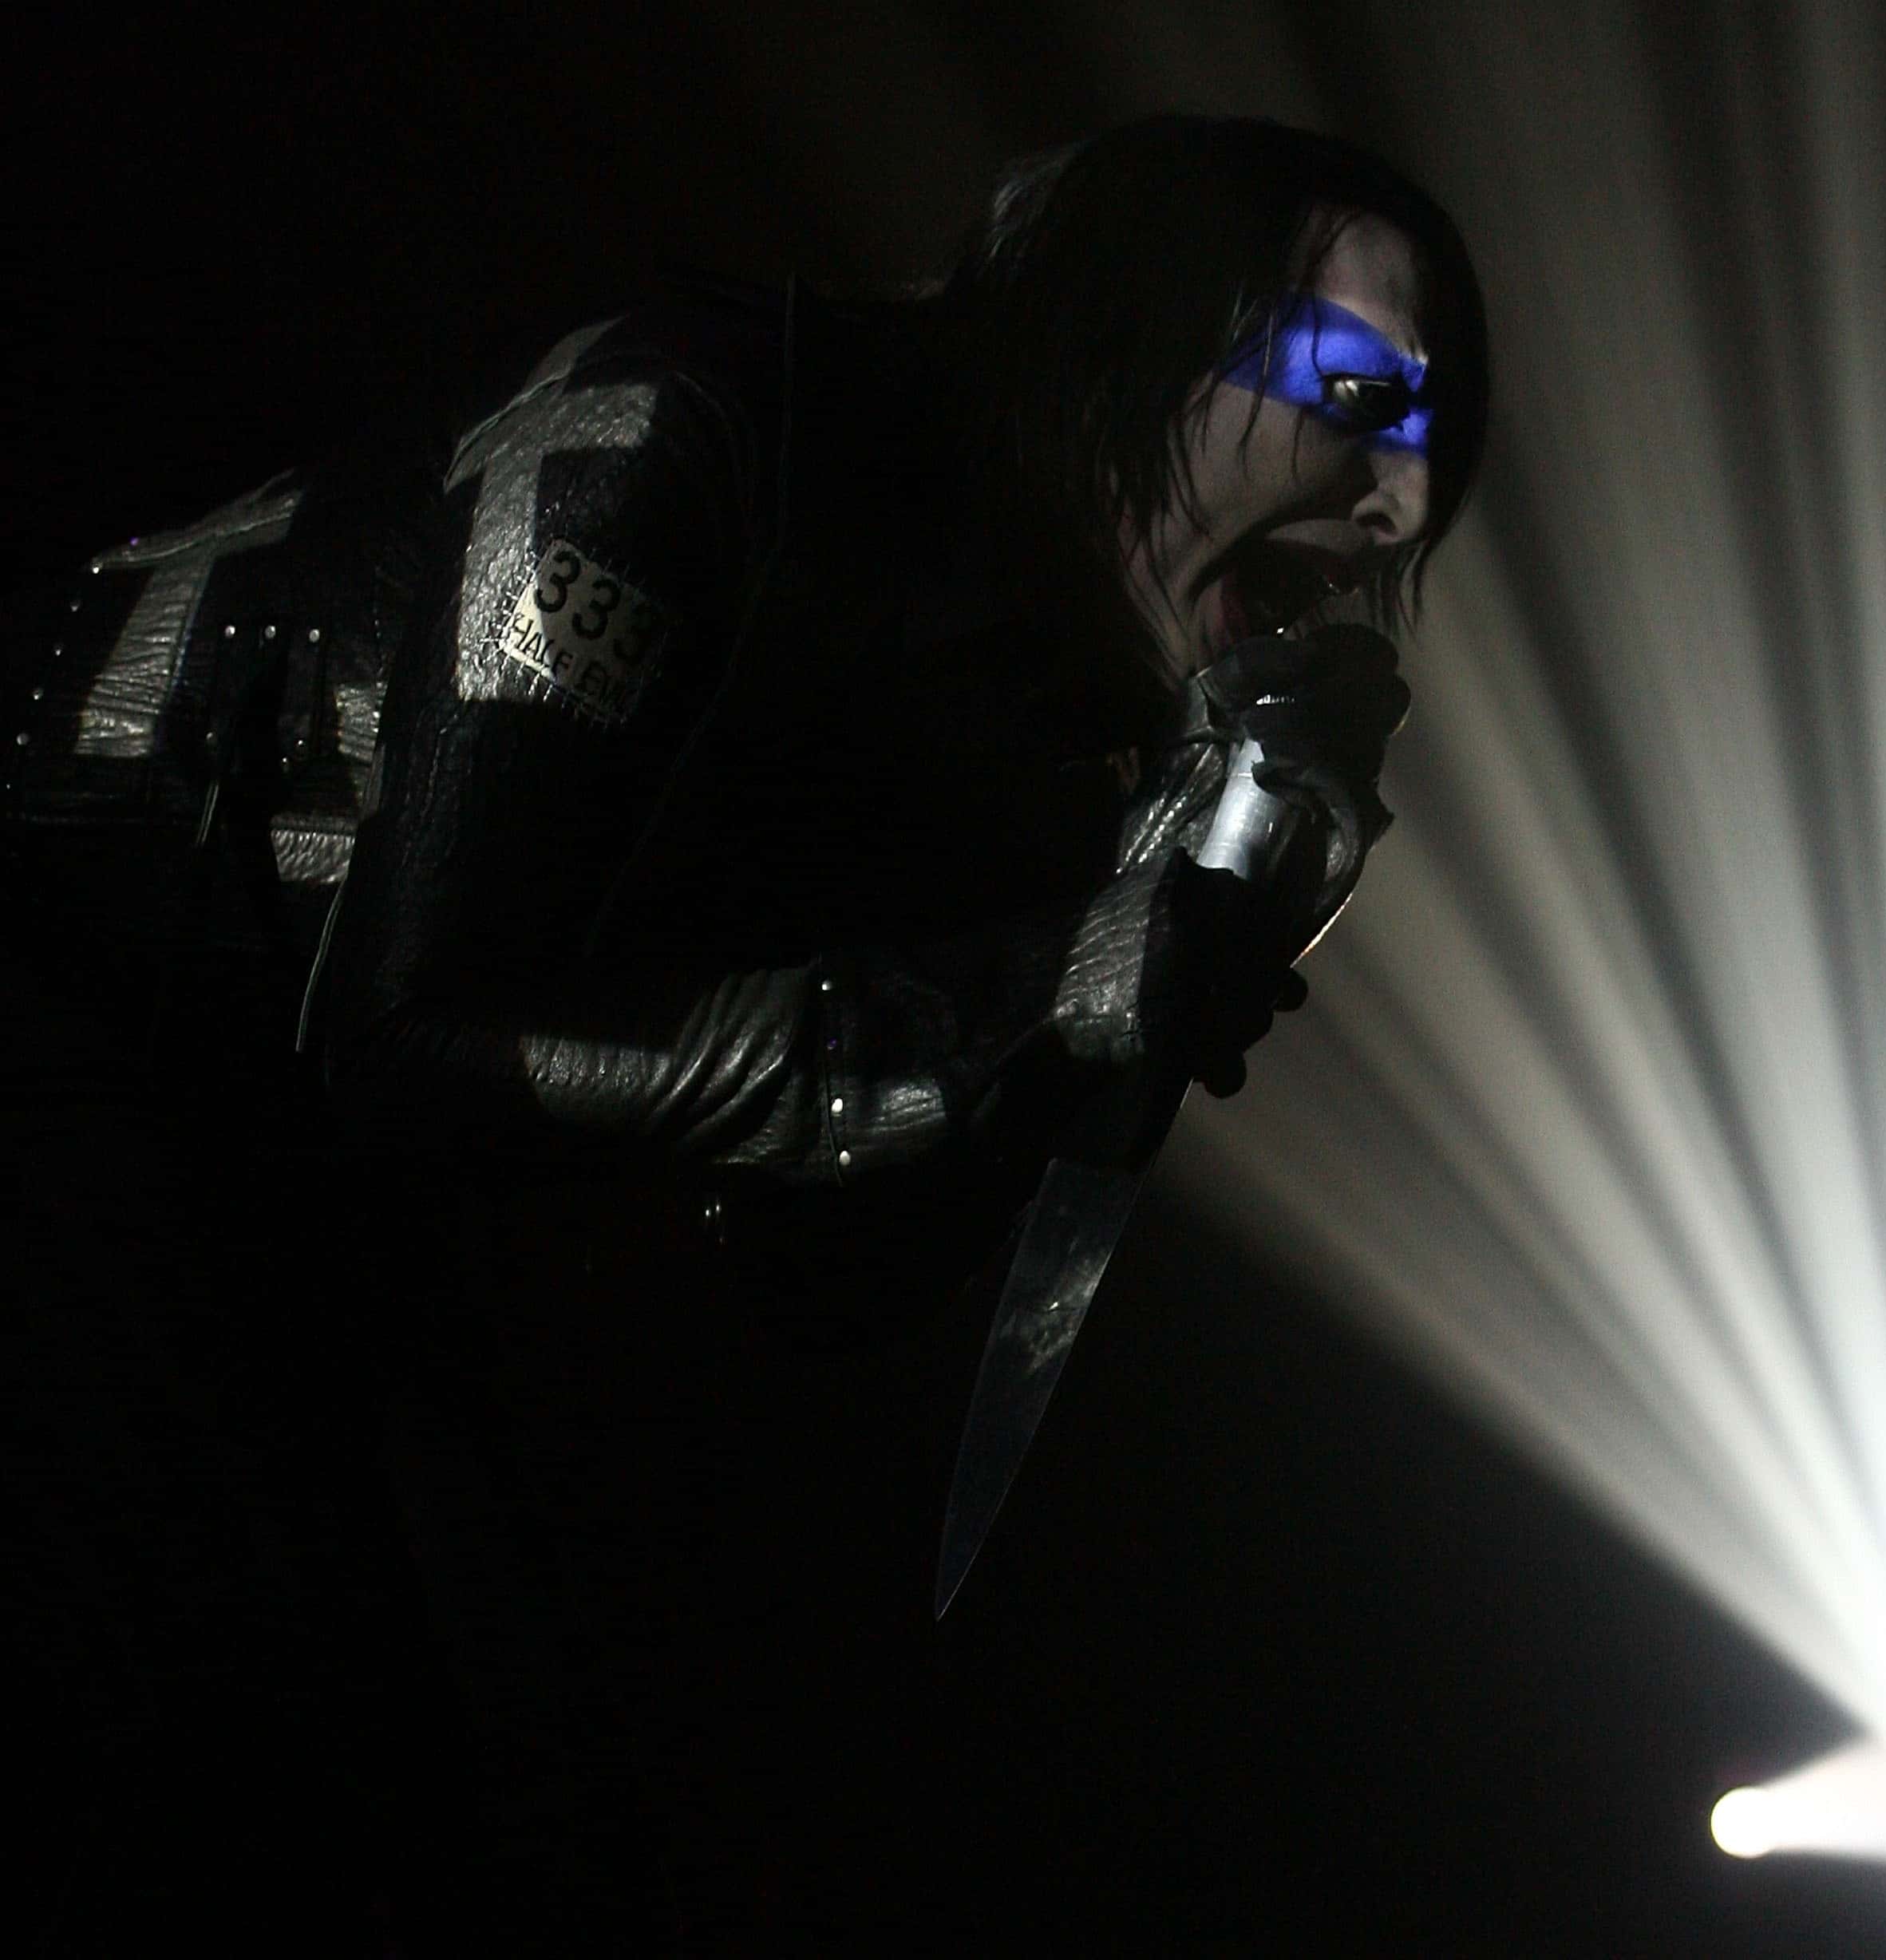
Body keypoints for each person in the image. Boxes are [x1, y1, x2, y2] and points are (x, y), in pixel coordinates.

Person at [2, 115, 1489, 1947]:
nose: (1404, 507)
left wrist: (1176, 927)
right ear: (1134, 325)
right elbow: (413, 1037)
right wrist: (1043, 988)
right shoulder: (672, 437)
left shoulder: (1014, 720)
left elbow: (826, 1281)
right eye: (1360, 391)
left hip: (261, 1197)